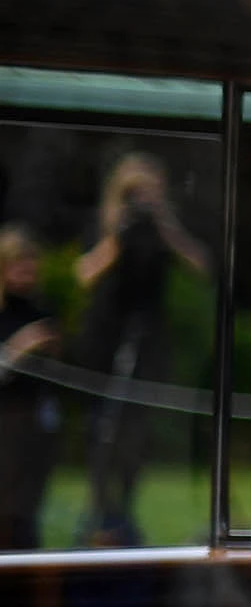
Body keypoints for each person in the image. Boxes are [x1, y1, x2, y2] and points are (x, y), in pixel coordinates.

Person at [73, 152, 208, 541]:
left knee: (135, 435)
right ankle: (100, 512)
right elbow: (83, 274)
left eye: (149, 194)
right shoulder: (105, 225)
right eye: (135, 194)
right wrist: (118, 234)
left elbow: (200, 265)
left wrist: (164, 223)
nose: (142, 201)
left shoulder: (160, 231)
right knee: (102, 431)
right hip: (105, 341)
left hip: (147, 343)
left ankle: (125, 512)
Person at [0, 227, 61, 548]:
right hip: (6, 420)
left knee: (28, 504)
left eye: (31, 263)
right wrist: (20, 347)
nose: (27, 270)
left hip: (36, 419)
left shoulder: (42, 311)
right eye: (18, 263)